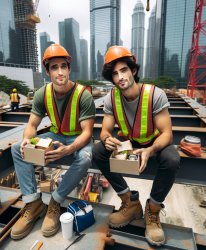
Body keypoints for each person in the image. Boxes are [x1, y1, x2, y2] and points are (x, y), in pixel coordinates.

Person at [92, 46, 180, 246]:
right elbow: (105, 130)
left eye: (124, 70)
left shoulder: (154, 95)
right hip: (130, 144)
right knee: (98, 151)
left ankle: (153, 210)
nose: (120, 76)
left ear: (133, 71)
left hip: (154, 144)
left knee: (172, 159)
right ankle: (130, 203)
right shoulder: (111, 98)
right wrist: (106, 139)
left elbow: (167, 134)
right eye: (115, 74)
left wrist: (150, 150)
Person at [10, 44, 95, 239]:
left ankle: (55, 202)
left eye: (63, 66)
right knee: (17, 149)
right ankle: (33, 202)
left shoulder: (84, 95)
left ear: (69, 68)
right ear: (48, 72)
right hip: (56, 135)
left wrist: (68, 150)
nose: (60, 71)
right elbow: (32, 124)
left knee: (85, 157)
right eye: (54, 67)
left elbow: (87, 133)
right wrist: (26, 140)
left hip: (77, 138)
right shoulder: (42, 94)